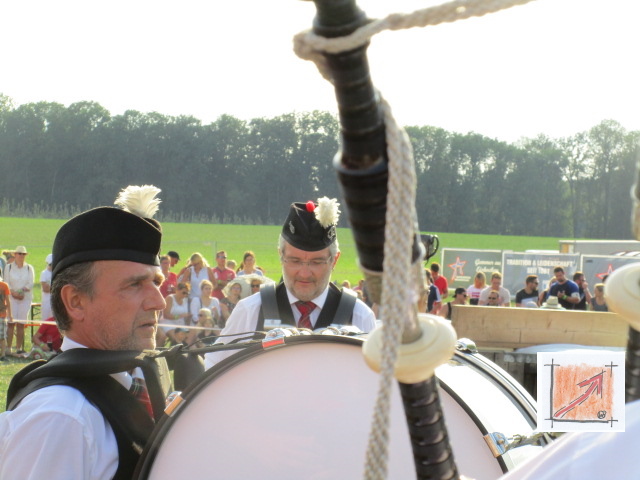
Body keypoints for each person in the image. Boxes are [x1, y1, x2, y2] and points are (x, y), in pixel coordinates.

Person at [0, 185, 169, 479]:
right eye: (134, 285)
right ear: (76, 302)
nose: (159, 301)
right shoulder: (60, 419)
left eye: (156, 282)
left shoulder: (142, 380)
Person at [205, 197, 376, 369]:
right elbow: (215, 370)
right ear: (281, 255)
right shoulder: (251, 311)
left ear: (335, 260)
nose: (304, 273)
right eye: (294, 260)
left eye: (316, 262)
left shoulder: (359, 316)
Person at [4, 245, 35, 354]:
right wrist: (14, 293)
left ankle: (18, 348)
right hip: (11, 297)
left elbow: (30, 283)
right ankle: (8, 348)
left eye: (23, 254)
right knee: (11, 323)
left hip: (25, 298)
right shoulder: (9, 267)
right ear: (15, 255)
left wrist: (21, 292)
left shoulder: (29, 268)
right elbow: (6, 282)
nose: (21, 256)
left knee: (21, 324)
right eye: (19, 253)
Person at [0, 277, 12, 360]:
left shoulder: (4, 286)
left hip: (2, 314)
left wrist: (10, 314)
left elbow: (8, 301)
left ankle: (3, 354)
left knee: (2, 336)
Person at [40, 253, 54, 321]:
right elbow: (45, 288)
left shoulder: (56, 273)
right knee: (45, 321)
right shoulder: (44, 273)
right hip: (46, 301)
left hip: (55, 301)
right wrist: (56, 288)